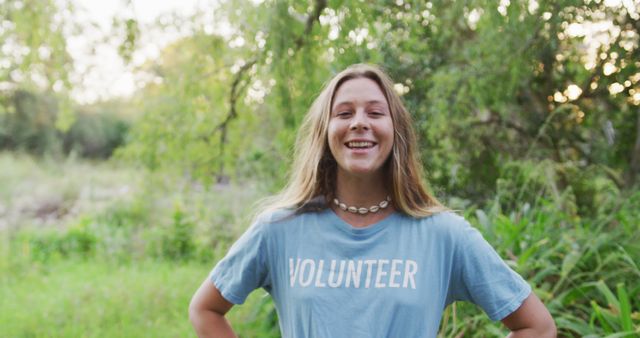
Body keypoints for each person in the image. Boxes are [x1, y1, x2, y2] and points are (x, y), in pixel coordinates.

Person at [189, 64, 556, 337]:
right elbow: (205, 309)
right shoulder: (279, 229)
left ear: (395, 132)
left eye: (375, 113)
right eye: (344, 113)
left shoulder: (444, 235)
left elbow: (536, 327)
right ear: (325, 132)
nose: (359, 123)